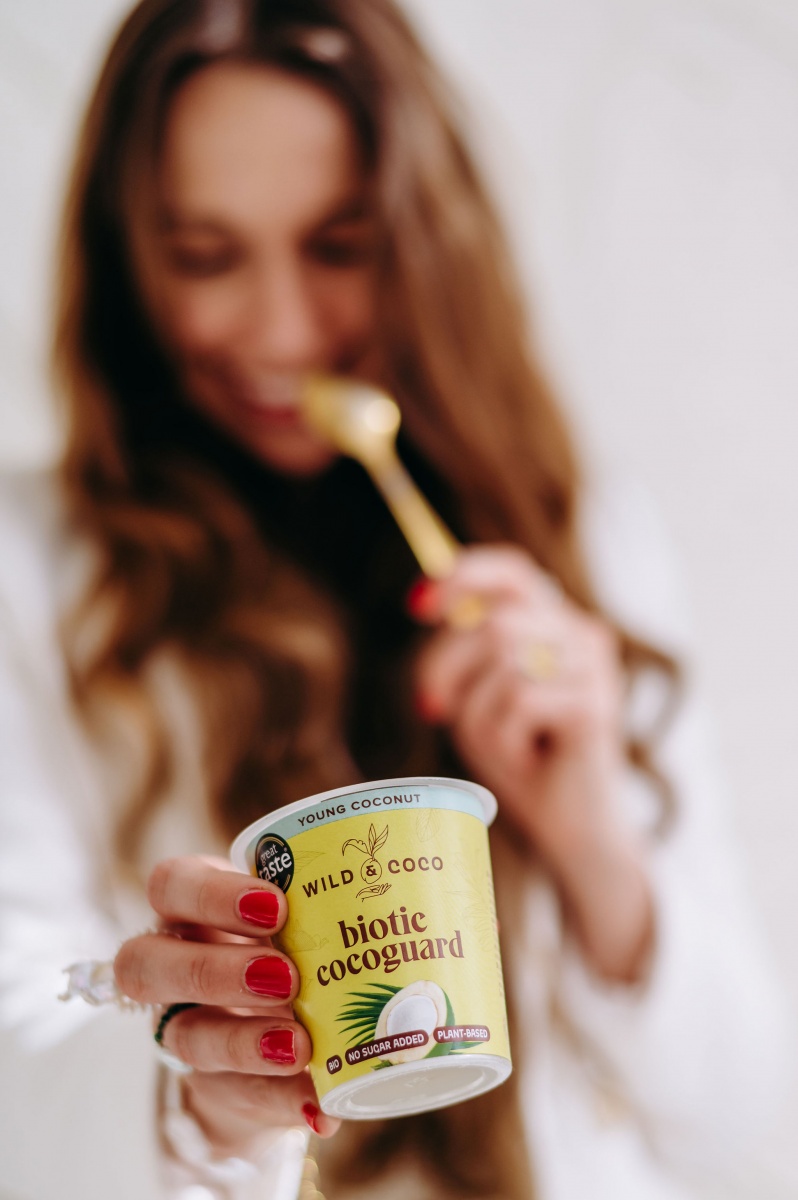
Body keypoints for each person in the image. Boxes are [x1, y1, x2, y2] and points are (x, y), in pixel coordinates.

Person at [0, 0, 789, 1197]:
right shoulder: (28, 566)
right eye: (205, 256)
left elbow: (739, 1123)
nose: (282, 332)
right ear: (128, 263)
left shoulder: (576, 537)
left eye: (340, 246)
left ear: (429, 240)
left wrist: (595, 844)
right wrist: (197, 1097)